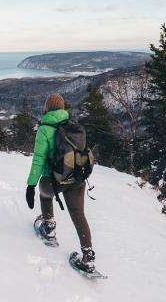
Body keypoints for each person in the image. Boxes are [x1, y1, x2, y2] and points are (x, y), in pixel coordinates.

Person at [25, 93, 96, 272]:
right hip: (78, 178)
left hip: (55, 180)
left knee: (44, 194)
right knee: (79, 215)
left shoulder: (44, 129)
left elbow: (38, 160)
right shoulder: (74, 125)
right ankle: (88, 258)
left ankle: (49, 228)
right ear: (63, 107)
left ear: (47, 108)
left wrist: (31, 185)